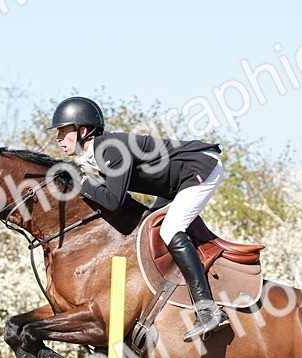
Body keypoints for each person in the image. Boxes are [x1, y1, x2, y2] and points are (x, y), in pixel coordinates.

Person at [48, 96, 229, 341]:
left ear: (82, 130)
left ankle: (208, 311)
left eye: (63, 131)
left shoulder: (109, 149)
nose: (58, 137)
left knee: (170, 230)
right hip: (174, 183)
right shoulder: (100, 152)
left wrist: (82, 183)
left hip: (198, 168)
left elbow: (114, 201)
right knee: (147, 229)